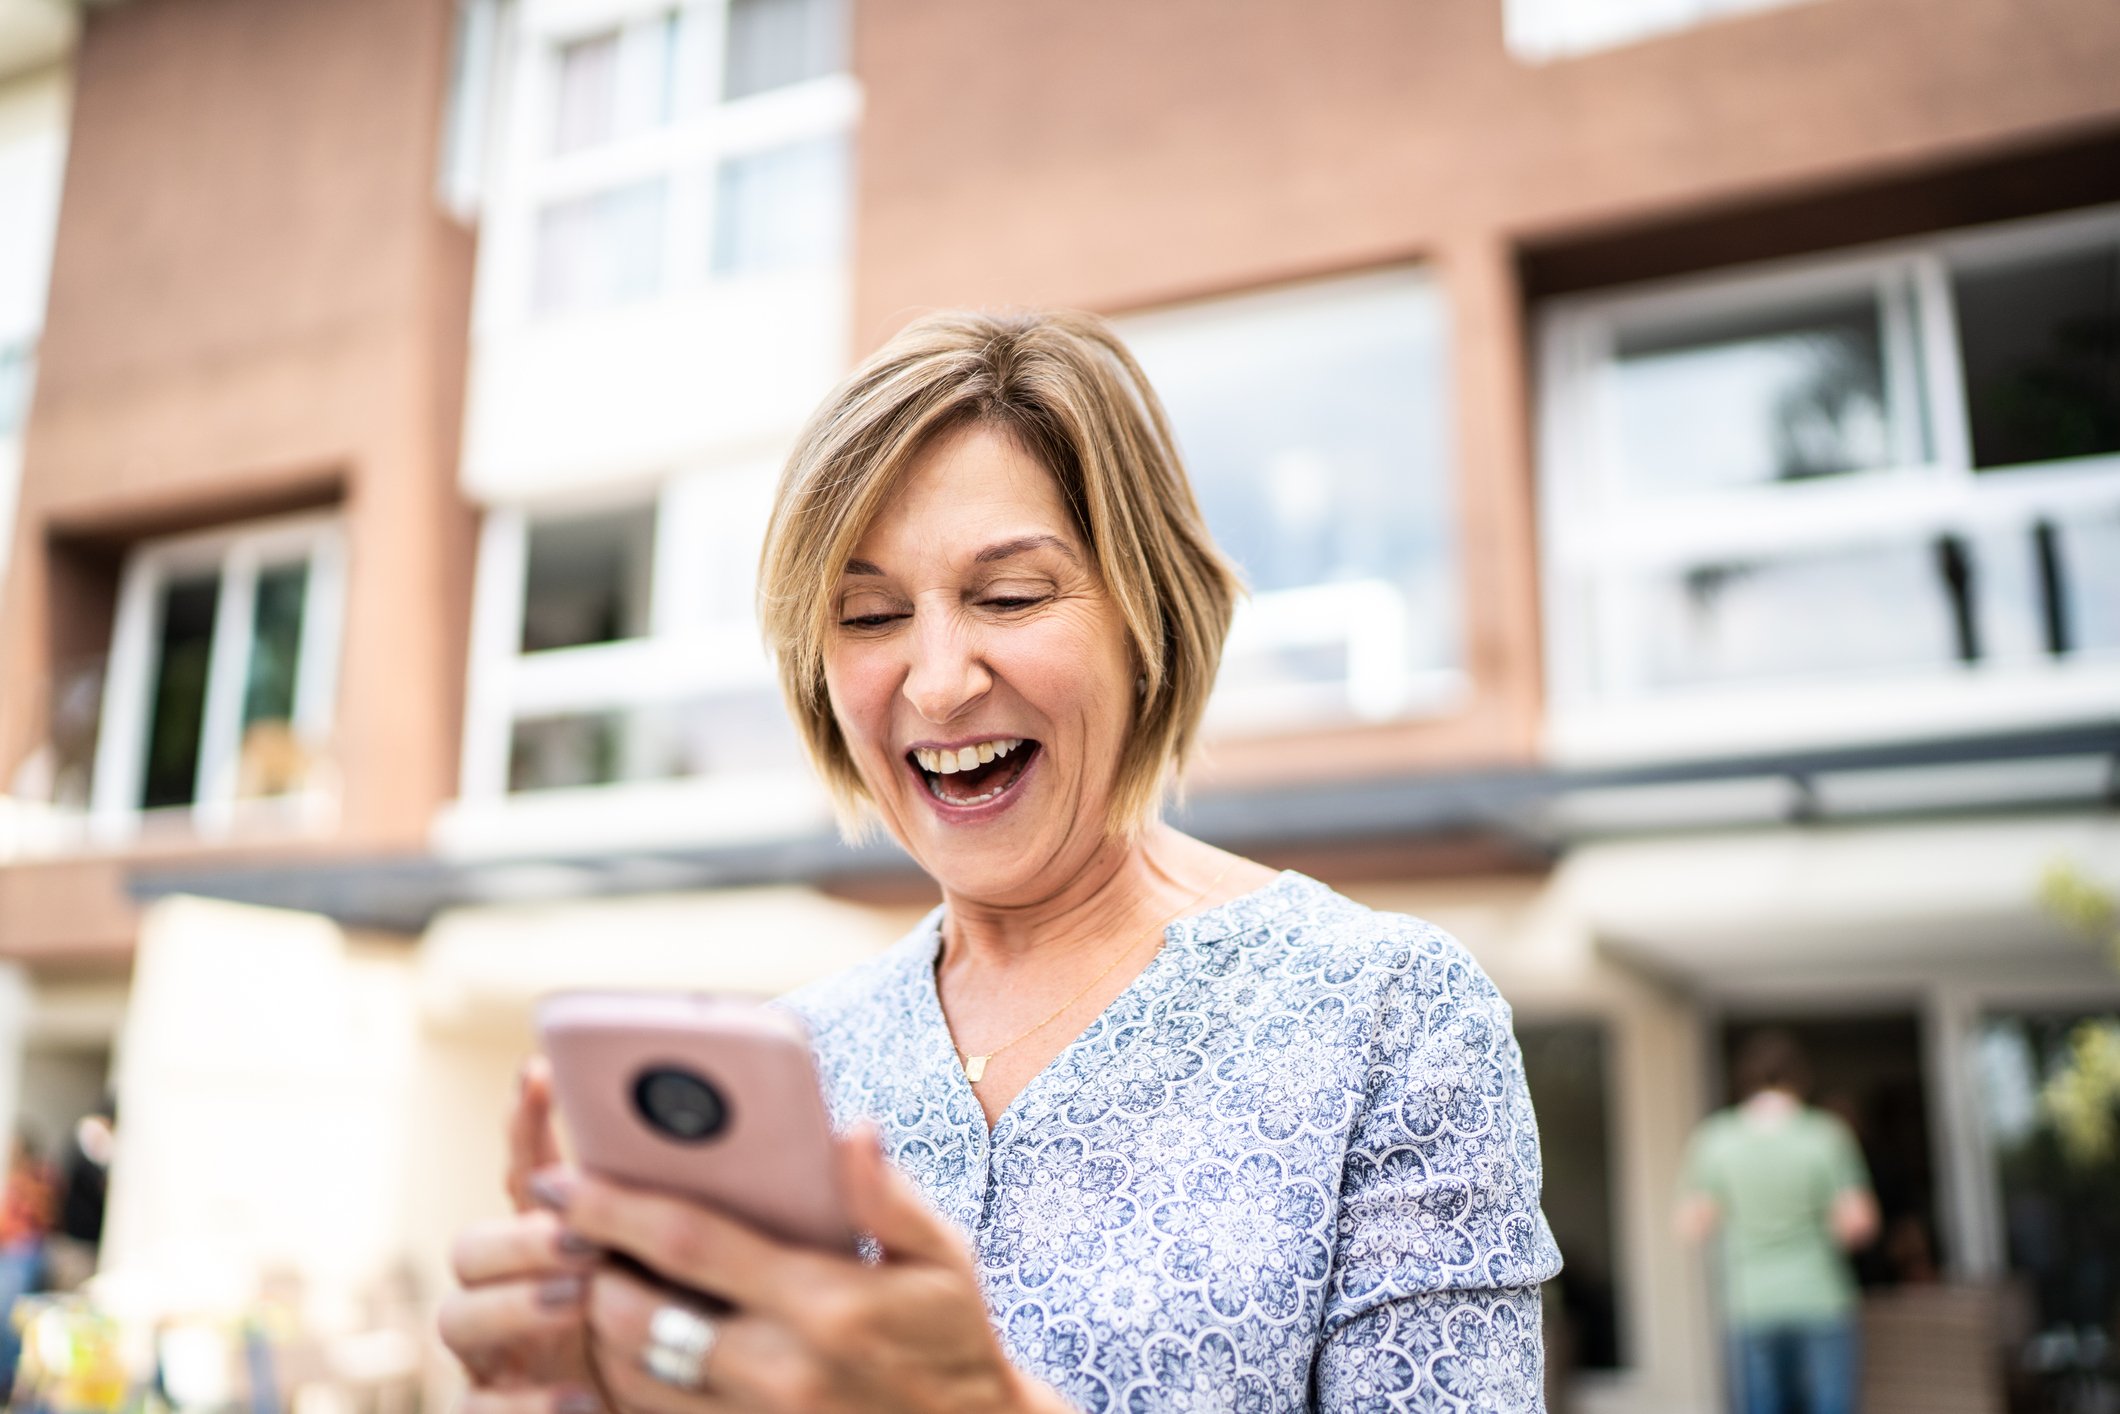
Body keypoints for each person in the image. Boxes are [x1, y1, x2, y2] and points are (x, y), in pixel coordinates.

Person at [439, 310, 1562, 1412]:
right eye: (869, 615)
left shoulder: (1385, 1012)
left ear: (1146, 617)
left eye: (1009, 597)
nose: (936, 682)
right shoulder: (790, 1061)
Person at [1677, 1030, 1879, 1414]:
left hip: (1751, 1303)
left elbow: (1691, 1224)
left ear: (1745, 1080)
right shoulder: (1826, 1135)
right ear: (1800, 1078)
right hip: (1821, 1297)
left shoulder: (1717, 1139)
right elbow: (1859, 1224)